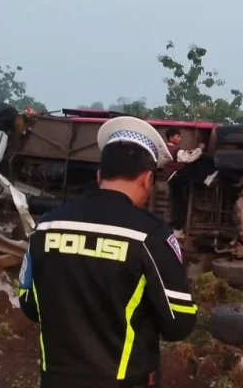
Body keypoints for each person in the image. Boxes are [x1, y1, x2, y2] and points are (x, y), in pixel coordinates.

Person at [17, 116, 197, 388]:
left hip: (55, 379)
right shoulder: (150, 235)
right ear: (148, 179)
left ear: (99, 175)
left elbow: (29, 303)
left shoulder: (47, 226)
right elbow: (178, 322)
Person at [162, 128, 216, 239]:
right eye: (178, 136)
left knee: (179, 203)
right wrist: (200, 149)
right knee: (199, 161)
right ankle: (206, 178)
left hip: (173, 179)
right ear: (171, 137)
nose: (179, 139)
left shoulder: (165, 149)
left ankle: (178, 230)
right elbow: (188, 158)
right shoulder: (174, 150)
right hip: (176, 176)